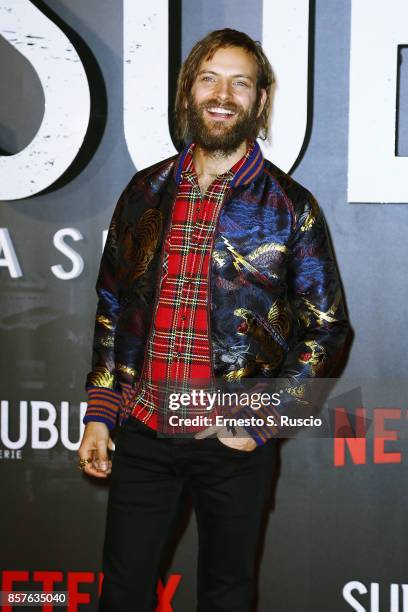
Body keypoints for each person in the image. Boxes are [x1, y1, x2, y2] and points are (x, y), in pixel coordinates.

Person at [78, 28, 350, 612]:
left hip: (233, 438)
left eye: (240, 83)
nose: (223, 94)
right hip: (145, 431)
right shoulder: (143, 192)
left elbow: (326, 327)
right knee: (121, 594)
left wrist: (258, 421)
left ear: (260, 101)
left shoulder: (289, 206)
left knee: (227, 595)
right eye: (209, 78)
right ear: (187, 93)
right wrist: (102, 411)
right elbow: (112, 304)